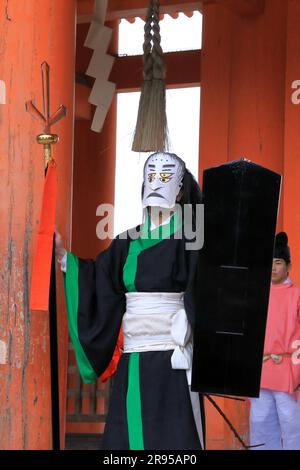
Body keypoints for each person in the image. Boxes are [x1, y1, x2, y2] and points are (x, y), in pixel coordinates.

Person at [55, 151, 205, 450]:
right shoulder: (127, 241)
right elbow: (99, 281)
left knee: (174, 438)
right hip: (135, 355)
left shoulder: (194, 238)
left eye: (165, 177)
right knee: (130, 434)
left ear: (179, 189)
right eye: (152, 176)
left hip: (173, 354)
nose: (156, 184)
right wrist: (64, 258)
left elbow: (208, 289)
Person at [249, 232, 300, 450]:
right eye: (269, 263)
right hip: (260, 368)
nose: (273, 267)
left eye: (278, 262)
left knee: (291, 424)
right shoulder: (256, 294)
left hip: (288, 368)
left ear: (288, 265)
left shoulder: (296, 294)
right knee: (260, 422)